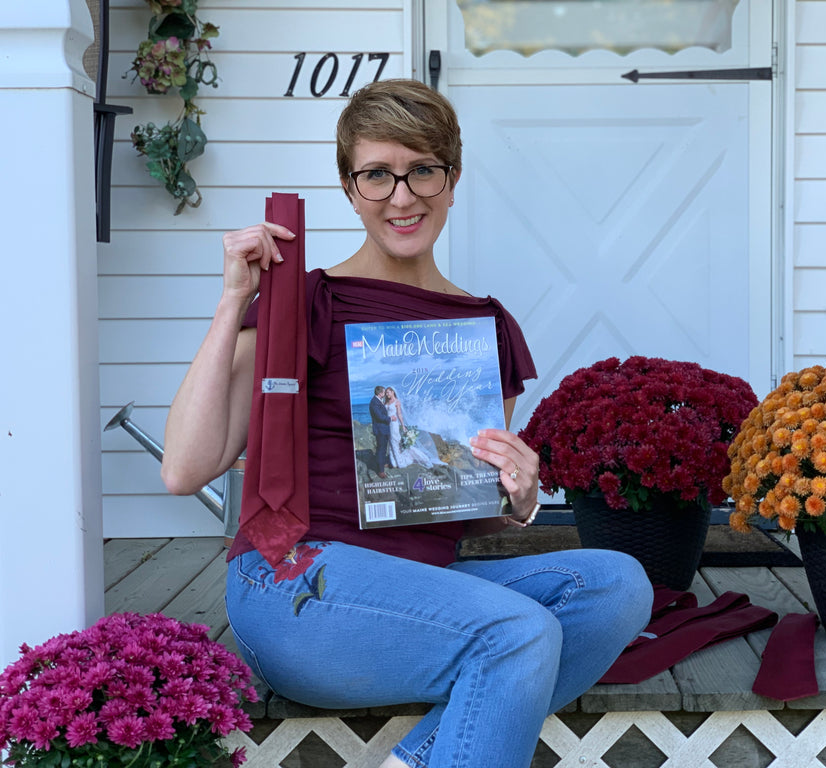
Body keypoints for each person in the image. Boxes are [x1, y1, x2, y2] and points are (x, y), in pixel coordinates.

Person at [160, 78, 652, 768]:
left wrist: (518, 496)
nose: (402, 196)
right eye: (377, 175)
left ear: (452, 180)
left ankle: (419, 759)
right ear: (348, 185)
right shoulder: (306, 300)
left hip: (429, 598)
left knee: (618, 585)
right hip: (301, 584)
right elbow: (185, 467)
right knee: (519, 632)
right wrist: (233, 301)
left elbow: (464, 515)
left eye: (423, 170)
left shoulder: (484, 326)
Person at [384, 386, 436, 468]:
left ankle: (400, 462)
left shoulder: (397, 402)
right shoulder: (386, 403)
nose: (386, 394)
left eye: (388, 392)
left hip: (394, 425)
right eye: (386, 393)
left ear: (393, 392)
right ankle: (393, 461)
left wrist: (403, 425)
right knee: (390, 443)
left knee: (395, 442)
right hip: (387, 425)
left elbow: (399, 414)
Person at [370, 385, 392, 476]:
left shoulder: (379, 401)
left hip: (383, 429)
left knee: (383, 449)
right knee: (381, 449)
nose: (385, 393)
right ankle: (380, 471)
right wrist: (390, 418)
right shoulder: (374, 402)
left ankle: (381, 464)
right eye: (384, 392)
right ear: (380, 393)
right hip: (380, 430)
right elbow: (379, 416)